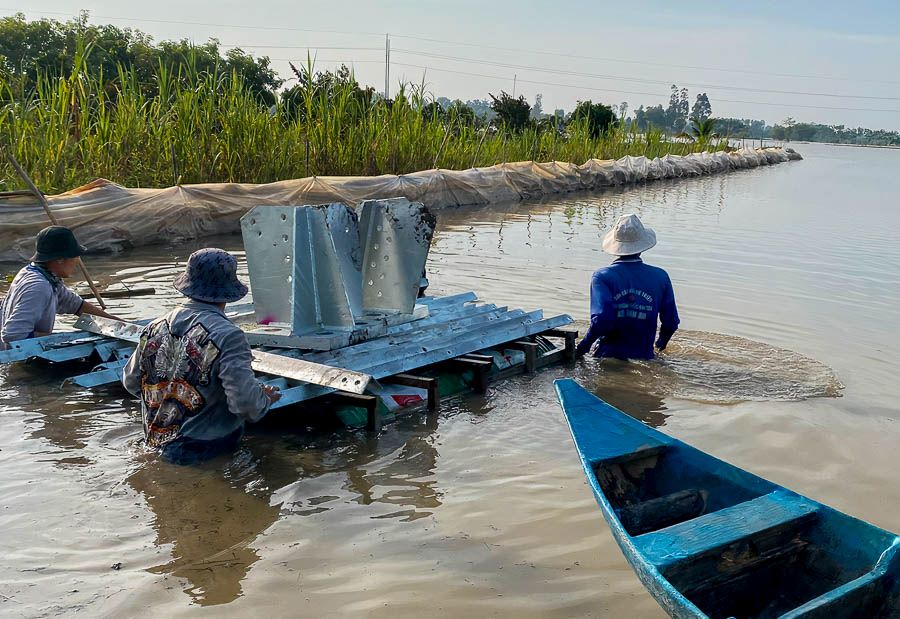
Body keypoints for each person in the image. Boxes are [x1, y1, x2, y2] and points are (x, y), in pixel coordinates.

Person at [122, 248, 281, 464]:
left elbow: (131, 382)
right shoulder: (229, 336)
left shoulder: (154, 326)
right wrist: (263, 398)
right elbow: (245, 405)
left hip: (154, 440)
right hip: (204, 449)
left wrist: (168, 395)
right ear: (228, 292)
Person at [575, 214, 679, 360]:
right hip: (645, 356)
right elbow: (671, 322)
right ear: (642, 246)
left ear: (615, 245)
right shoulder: (661, 276)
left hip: (608, 356)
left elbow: (602, 320)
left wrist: (583, 347)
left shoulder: (602, 277)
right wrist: (660, 345)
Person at [0, 226, 119, 349]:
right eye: (75, 256)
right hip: (13, 356)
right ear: (60, 259)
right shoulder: (39, 287)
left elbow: (77, 305)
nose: (77, 261)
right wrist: (61, 339)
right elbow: (13, 335)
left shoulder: (39, 274)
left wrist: (121, 325)